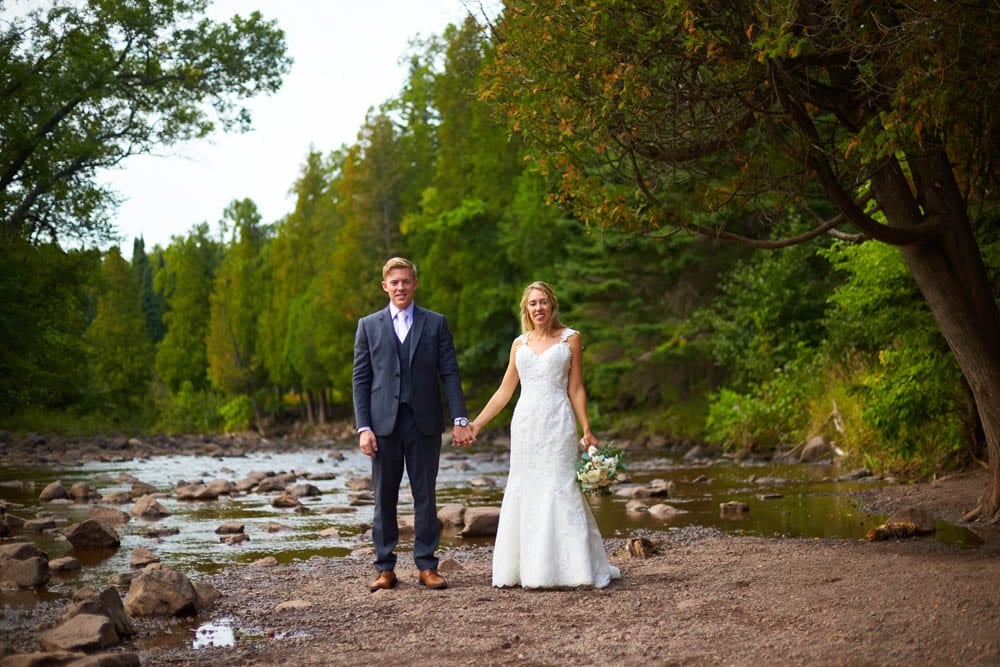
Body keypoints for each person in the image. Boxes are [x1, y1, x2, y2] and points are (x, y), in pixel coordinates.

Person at [470, 281, 621, 589]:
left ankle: (575, 568)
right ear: (526, 309)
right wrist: (476, 424)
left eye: (543, 302)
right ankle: (527, 568)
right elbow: (504, 392)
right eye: (532, 303)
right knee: (525, 487)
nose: (538, 308)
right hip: (526, 424)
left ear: (553, 306)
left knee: (561, 486)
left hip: (558, 422)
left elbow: (576, 388)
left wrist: (587, 429)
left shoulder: (571, 339)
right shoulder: (519, 344)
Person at [353, 257, 475, 592]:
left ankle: (426, 565)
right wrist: (363, 427)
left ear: (415, 284)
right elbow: (360, 379)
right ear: (385, 286)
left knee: (425, 496)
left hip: (425, 423)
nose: (401, 287)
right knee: (384, 498)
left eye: (406, 281)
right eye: (394, 282)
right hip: (382, 425)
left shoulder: (435, 323)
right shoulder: (368, 325)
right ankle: (385, 568)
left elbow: (449, 373)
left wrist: (460, 419)